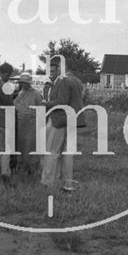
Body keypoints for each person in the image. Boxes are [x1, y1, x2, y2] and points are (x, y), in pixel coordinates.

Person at [41, 60, 84, 192]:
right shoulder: (77, 81)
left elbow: (61, 102)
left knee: (52, 152)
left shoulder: (64, 81)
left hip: (60, 119)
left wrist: (44, 103)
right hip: (73, 119)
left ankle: (48, 183)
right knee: (68, 154)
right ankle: (68, 184)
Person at [13, 72, 44, 177]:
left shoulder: (36, 94)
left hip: (32, 124)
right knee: (21, 146)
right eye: (22, 82)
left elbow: (41, 108)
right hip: (22, 124)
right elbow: (15, 104)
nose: (23, 84)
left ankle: (33, 170)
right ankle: (22, 169)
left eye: (25, 82)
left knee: (31, 146)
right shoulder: (21, 93)